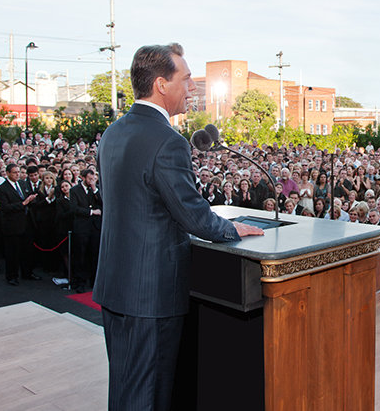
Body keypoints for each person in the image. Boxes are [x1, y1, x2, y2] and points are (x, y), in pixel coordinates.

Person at [92, 43, 263, 410]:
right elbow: (193, 215)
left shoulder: (113, 133)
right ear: (161, 85)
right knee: (148, 396)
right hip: (150, 294)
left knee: (124, 390)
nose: (192, 87)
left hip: (115, 286)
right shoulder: (167, 141)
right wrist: (232, 229)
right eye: (186, 79)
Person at [0, 163, 38, 286]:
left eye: (18, 172)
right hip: (12, 225)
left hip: (26, 222)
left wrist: (32, 200)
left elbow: (28, 199)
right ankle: (12, 276)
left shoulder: (23, 184)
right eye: (14, 172)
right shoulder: (2, 189)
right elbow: (5, 207)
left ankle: (27, 273)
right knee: (12, 252)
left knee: (27, 250)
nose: (17, 174)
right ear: (8, 173)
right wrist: (23, 204)